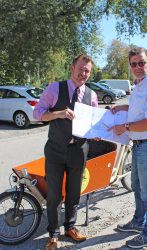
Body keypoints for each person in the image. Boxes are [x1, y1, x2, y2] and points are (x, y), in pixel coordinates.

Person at [34, 54, 98, 250]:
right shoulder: (55, 88)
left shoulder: (92, 95)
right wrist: (58, 113)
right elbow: (37, 114)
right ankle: (53, 233)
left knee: (74, 192)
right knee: (53, 194)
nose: (83, 74)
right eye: (80, 69)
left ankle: (70, 226)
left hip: (79, 150)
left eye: (87, 71)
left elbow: (94, 123)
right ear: (72, 67)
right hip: (55, 150)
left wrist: (96, 133)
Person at [109, 47, 147, 249]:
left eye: (141, 63)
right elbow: (139, 111)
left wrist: (124, 127)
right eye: (133, 63)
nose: (137, 67)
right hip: (139, 145)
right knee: (137, 187)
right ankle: (138, 222)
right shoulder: (140, 85)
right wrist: (122, 108)